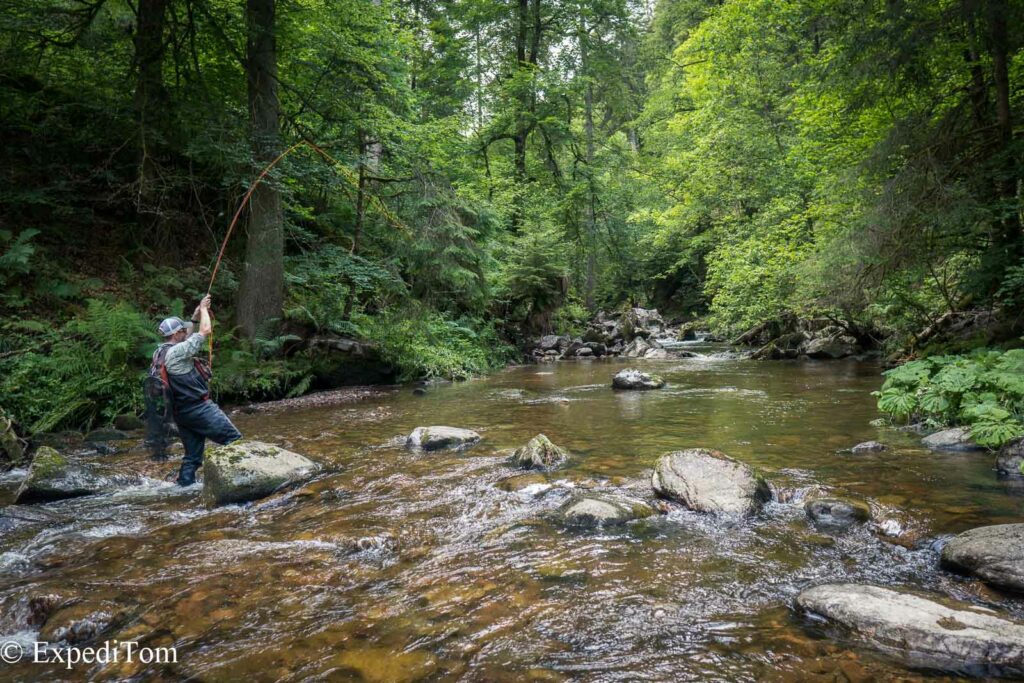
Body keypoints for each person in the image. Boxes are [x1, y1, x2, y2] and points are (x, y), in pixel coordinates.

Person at [154, 295, 241, 486]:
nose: (186, 331)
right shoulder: (178, 352)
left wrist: (195, 316)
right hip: (199, 409)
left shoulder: (162, 351)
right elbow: (205, 330)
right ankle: (241, 481)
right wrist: (203, 310)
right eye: (182, 330)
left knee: (192, 457)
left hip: (181, 414)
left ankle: (183, 488)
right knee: (234, 440)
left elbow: (188, 336)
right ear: (176, 334)